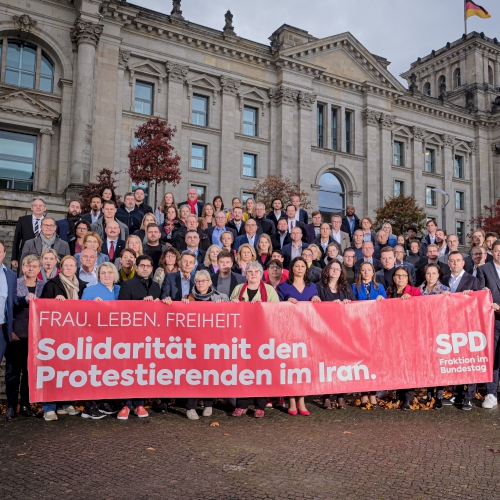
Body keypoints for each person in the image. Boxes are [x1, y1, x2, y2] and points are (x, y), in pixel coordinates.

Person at [230, 262, 279, 418]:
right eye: (249, 271)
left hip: (262, 336)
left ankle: (260, 406)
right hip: (242, 336)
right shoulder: (239, 289)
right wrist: (234, 305)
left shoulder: (269, 290)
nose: (253, 274)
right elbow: (231, 311)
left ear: (260, 274)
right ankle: (241, 405)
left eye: (256, 271)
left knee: (261, 371)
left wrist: (263, 306)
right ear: (246, 274)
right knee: (242, 370)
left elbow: (277, 311)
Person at [40, 255, 86, 421]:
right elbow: (43, 309)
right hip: (54, 335)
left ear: (76, 268)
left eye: (71, 266)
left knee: (69, 370)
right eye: (65, 266)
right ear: (61, 267)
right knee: (52, 369)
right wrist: (54, 302)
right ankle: (49, 407)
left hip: (74, 334)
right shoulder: (52, 284)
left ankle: (65, 404)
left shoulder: (82, 286)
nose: (68, 268)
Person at [181, 270, 230, 419]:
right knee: (193, 375)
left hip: (213, 344)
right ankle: (191, 407)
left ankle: (208, 404)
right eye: (198, 281)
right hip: (194, 344)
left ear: (209, 282)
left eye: (203, 281)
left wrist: (225, 306)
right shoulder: (187, 299)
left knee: (210, 374)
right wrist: (182, 305)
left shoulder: (221, 298)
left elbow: (232, 314)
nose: (200, 284)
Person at [117, 255, 161, 419]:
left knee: (143, 371)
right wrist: (142, 304)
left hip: (149, 336)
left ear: (152, 268)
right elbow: (122, 308)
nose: (145, 268)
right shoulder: (127, 285)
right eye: (142, 265)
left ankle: (139, 404)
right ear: (136, 267)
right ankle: (125, 404)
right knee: (128, 370)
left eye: (148, 266)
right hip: (130, 335)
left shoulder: (156, 286)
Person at [440, 251, 483, 411]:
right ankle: (456, 393)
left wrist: (471, 297)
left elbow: (478, 302)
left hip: (468, 326)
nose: (455, 263)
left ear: (463, 263)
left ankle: (469, 396)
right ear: (449, 263)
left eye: (458, 260)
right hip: (449, 326)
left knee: (469, 361)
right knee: (455, 361)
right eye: (452, 261)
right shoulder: (444, 279)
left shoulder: (473, 280)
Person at [278, 257, 319, 416]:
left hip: (307, 332)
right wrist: (287, 301)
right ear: (292, 268)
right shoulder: (283, 287)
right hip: (289, 332)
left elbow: (318, 308)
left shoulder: (312, 287)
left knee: (303, 367)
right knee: (291, 366)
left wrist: (316, 300)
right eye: (297, 265)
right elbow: (276, 308)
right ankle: (291, 400)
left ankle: (301, 400)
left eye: (302, 266)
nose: (300, 268)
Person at [79, 262, 120, 419]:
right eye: (103, 273)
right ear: (98, 275)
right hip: (95, 337)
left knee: (108, 371)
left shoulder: (119, 290)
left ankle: (103, 402)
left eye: (109, 272)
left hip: (114, 338)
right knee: (94, 371)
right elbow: (81, 315)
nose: (107, 276)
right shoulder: (90, 290)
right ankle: (90, 406)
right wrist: (92, 307)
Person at [316, 260, 356, 411]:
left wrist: (348, 302)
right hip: (325, 331)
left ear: (341, 272)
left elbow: (354, 305)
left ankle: (340, 396)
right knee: (326, 364)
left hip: (342, 331)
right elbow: (316, 304)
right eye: (332, 268)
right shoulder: (319, 287)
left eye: (338, 269)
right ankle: (326, 396)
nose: (334, 271)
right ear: (327, 270)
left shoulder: (346, 287)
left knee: (340, 364)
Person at [4, 254, 38, 421]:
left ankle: (25, 405)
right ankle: (11, 406)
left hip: (36, 338)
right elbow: (10, 304)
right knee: (12, 372)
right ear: (22, 267)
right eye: (28, 265)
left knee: (29, 373)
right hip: (17, 335)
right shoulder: (14, 284)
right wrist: (10, 330)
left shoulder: (44, 286)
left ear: (39, 269)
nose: (31, 268)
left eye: (34, 266)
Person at [385, 267, 421, 410]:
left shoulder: (415, 291)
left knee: (409, 365)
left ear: (408, 278)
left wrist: (411, 301)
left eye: (403, 275)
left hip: (409, 333)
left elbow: (421, 309)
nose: (400, 278)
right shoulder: (389, 292)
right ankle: (399, 395)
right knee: (396, 364)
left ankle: (408, 398)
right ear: (393, 278)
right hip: (393, 333)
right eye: (398, 275)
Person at [351, 261, 386, 408]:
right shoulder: (354, 287)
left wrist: (382, 300)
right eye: (363, 270)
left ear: (373, 273)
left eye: (369, 270)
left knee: (374, 362)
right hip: (359, 328)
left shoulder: (380, 287)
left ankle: (373, 394)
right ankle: (363, 394)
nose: (366, 272)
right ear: (360, 272)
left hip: (375, 328)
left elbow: (387, 305)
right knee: (362, 361)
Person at [419, 263, 450, 409]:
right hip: (424, 331)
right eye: (428, 273)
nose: (430, 276)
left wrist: (447, 298)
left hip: (439, 331)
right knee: (427, 364)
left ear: (438, 275)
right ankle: (429, 393)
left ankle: (439, 395)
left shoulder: (444, 290)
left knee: (439, 364)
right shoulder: (419, 290)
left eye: (433, 273)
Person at [476, 241, 500, 410]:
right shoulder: (483, 269)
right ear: (491, 252)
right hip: (494, 320)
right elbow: (480, 294)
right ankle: (491, 393)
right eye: (497, 251)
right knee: (493, 358)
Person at [11, 196, 46, 270]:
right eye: (35, 205)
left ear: (44, 208)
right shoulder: (23, 220)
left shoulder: (49, 222)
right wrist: (14, 258)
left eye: (40, 205)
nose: (38, 207)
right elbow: (16, 240)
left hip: (42, 258)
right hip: (25, 256)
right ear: (32, 208)